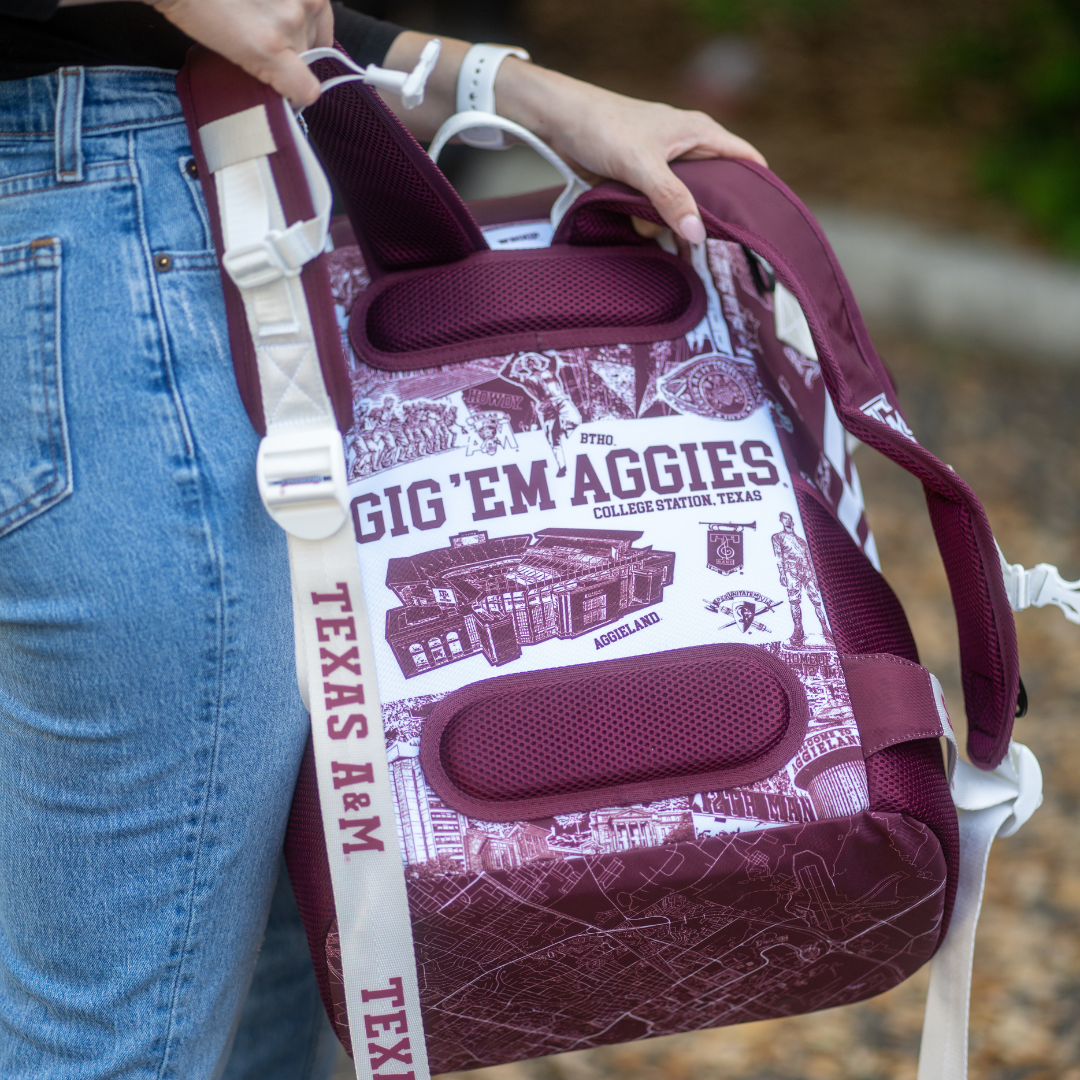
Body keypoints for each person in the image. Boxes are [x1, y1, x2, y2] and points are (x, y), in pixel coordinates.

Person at [0, 2, 765, 1076]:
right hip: (109, 213)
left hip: (169, 195)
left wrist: (530, 93)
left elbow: (286, 17)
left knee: (272, 927)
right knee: (123, 1023)